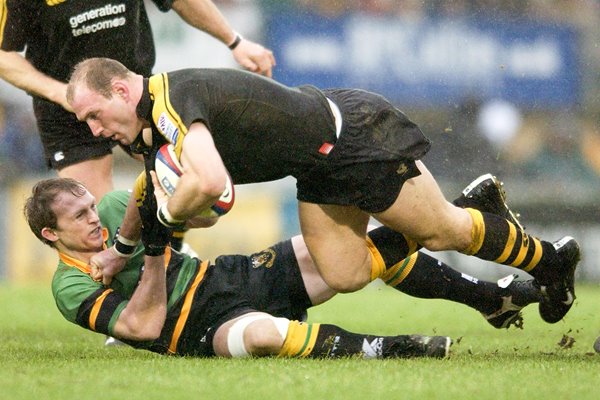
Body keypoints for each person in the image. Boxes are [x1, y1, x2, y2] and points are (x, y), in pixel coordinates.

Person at [65, 57, 579, 327]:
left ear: (122, 90)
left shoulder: (172, 101)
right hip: (315, 166)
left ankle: (549, 262)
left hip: (354, 138)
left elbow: (210, 184)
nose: (92, 131)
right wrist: (122, 249)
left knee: (444, 231)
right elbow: (147, 188)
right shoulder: (146, 129)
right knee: (344, 273)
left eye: (93, 114)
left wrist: (172, 215)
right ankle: (476, 210)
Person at [24, 176, 543, 358]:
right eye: (79, 216)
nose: (95, 218)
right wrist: (156, 251)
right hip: (195, 328)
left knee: (346, 251)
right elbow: (144, 326)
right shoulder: (69, 287)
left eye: (91, 206)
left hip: (224, 276)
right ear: (52, 235)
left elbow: (187, 213)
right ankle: (393, 349)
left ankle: (478, 275)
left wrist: (189, 205)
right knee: (267, 337)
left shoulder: (118, 210)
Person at [0, 0, 275, 200]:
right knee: (97, 216)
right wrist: (59, 93)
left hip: (133, 98)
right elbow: (3, 55)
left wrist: (235, 42)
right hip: (68, 112)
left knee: (189, 184)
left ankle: (167, 262)